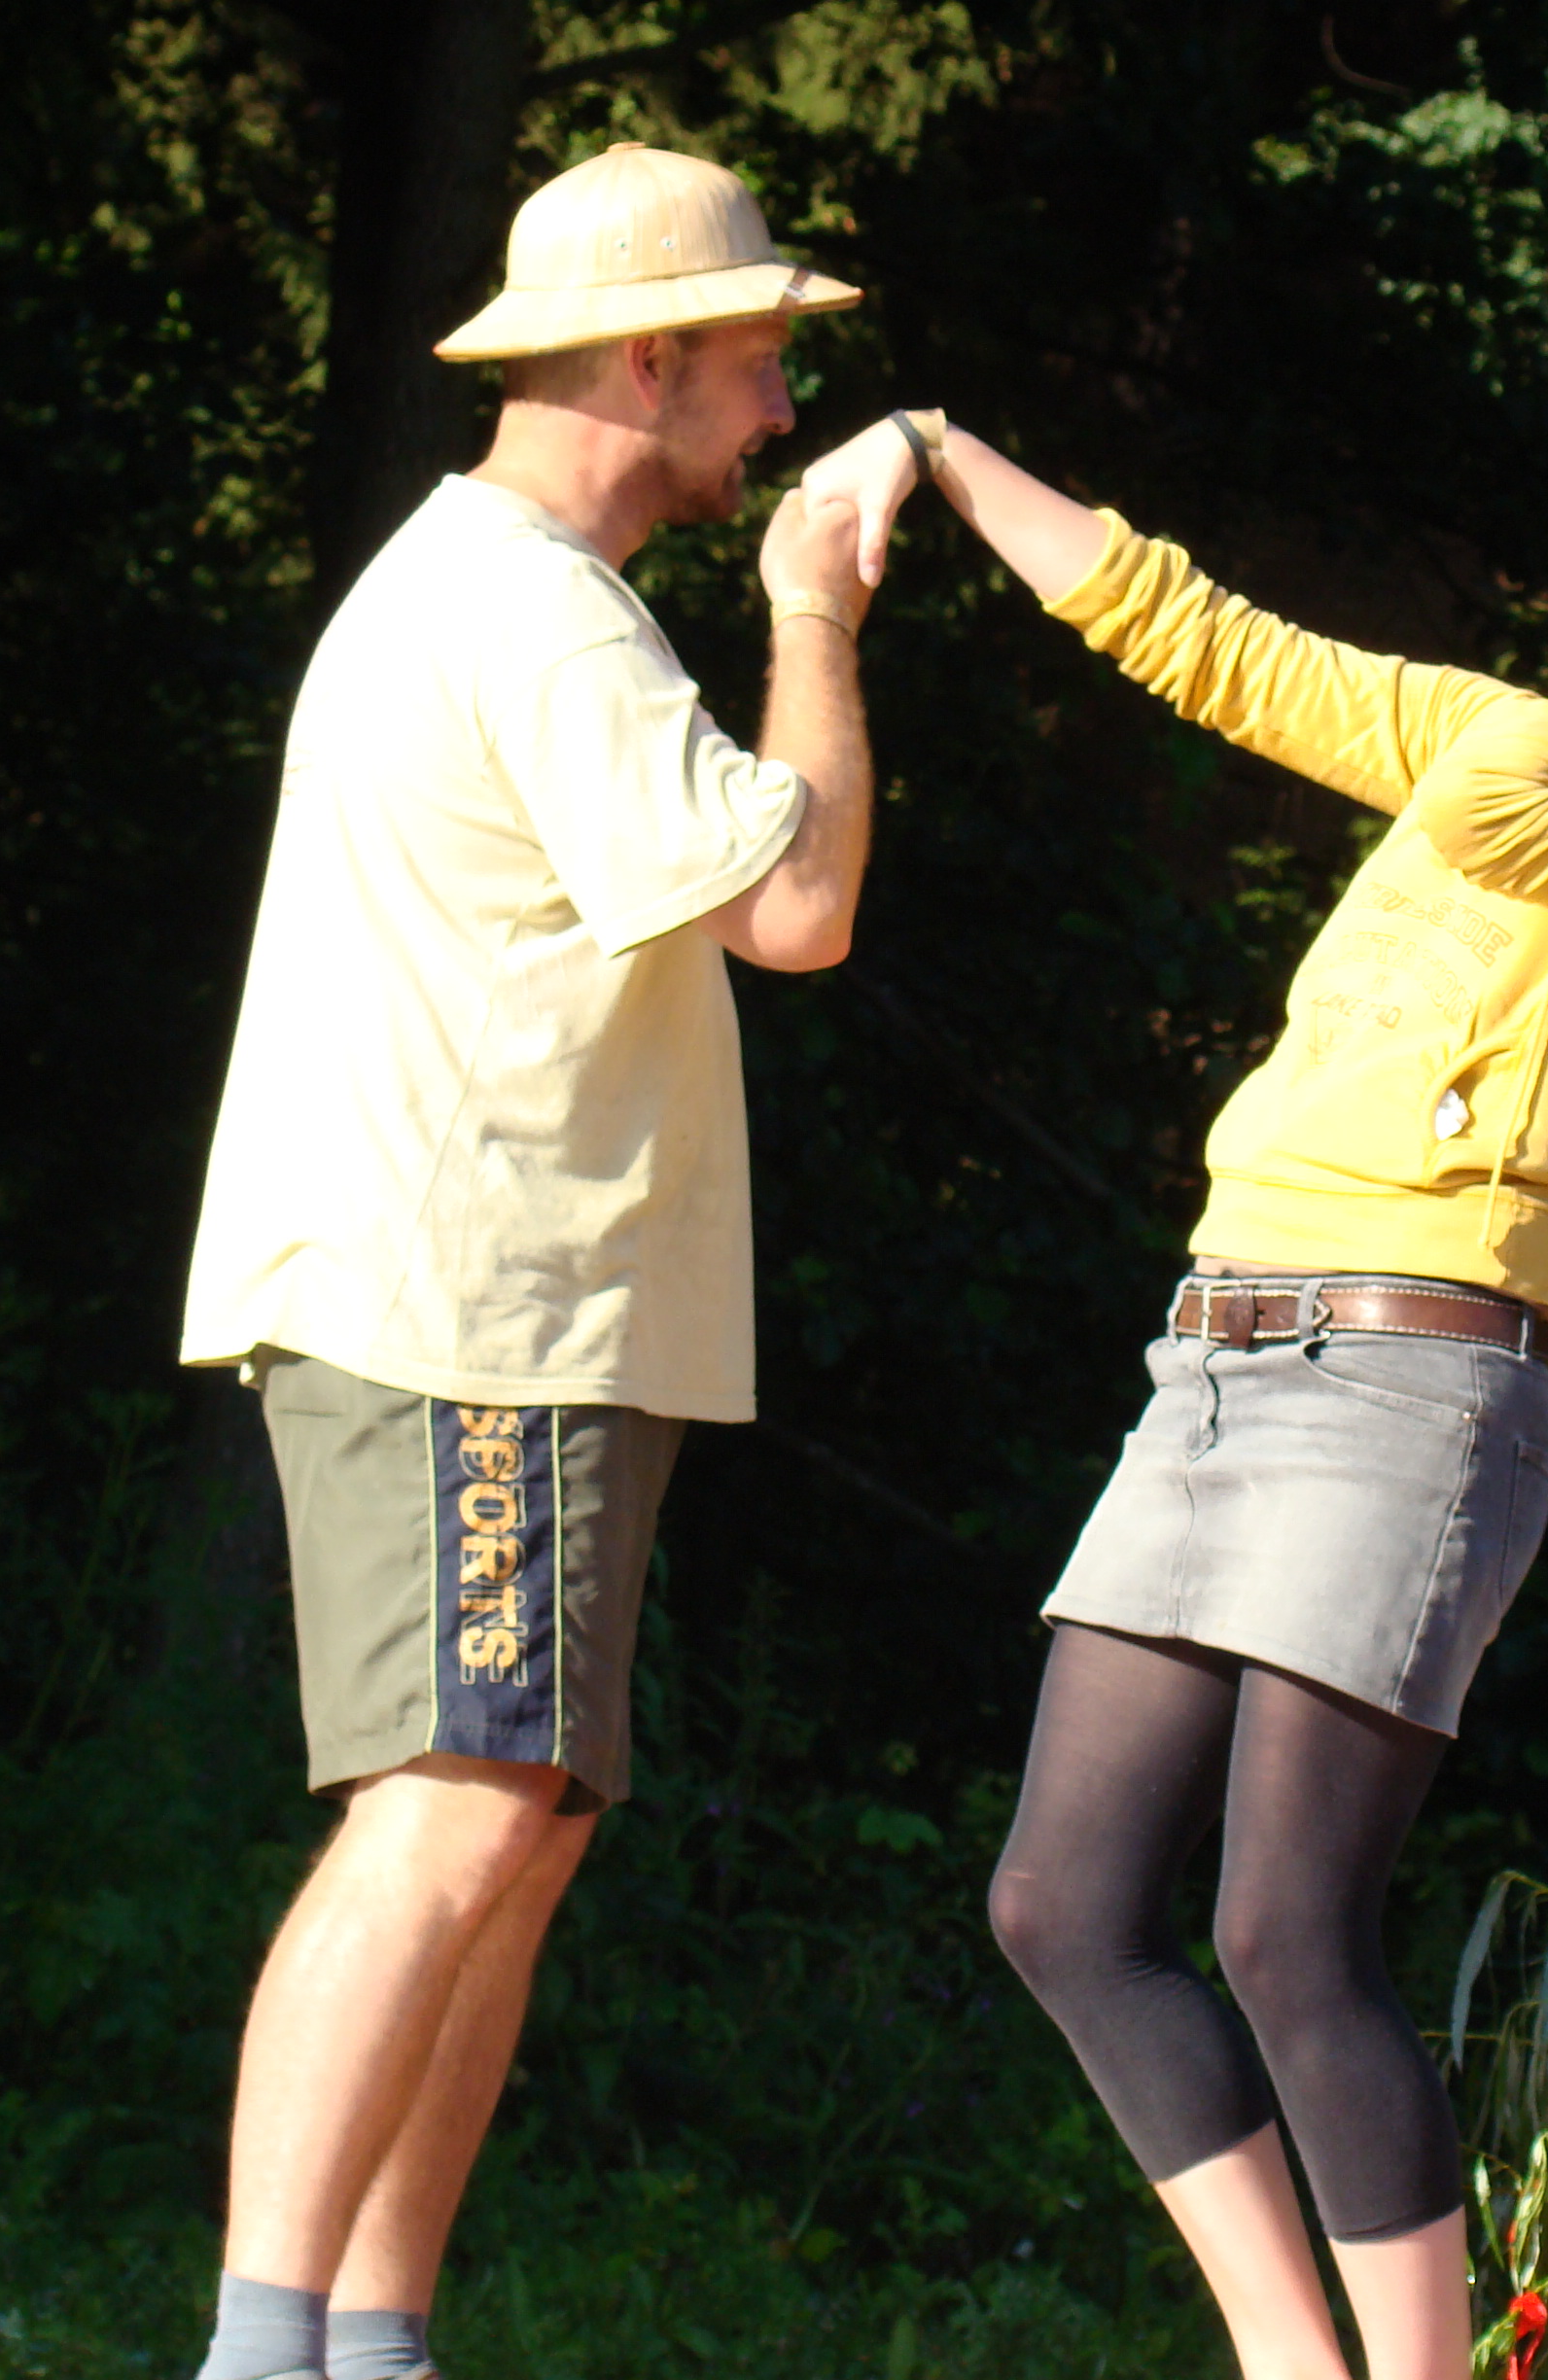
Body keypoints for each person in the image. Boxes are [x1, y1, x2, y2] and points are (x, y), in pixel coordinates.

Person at [795, 415, 1548, 2380]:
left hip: (1413, 1375)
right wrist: (933, 449)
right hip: (1216, 1353)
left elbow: (1504, 823)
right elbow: (1204, 641)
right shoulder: (1521, 735)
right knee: (1062, 1907)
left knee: (1286, 1932)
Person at [173, 144, 886, 2380]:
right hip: (471, 1310)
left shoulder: (496, 589)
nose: (783, 405)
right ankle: (263, 2355)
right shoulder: (536, 608)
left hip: (518, 1309)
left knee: (515, 1829)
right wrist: (814, 617)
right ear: (647, 361)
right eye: (759, 355)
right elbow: (799, 908)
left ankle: (368, 2345)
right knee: (453, 1810)